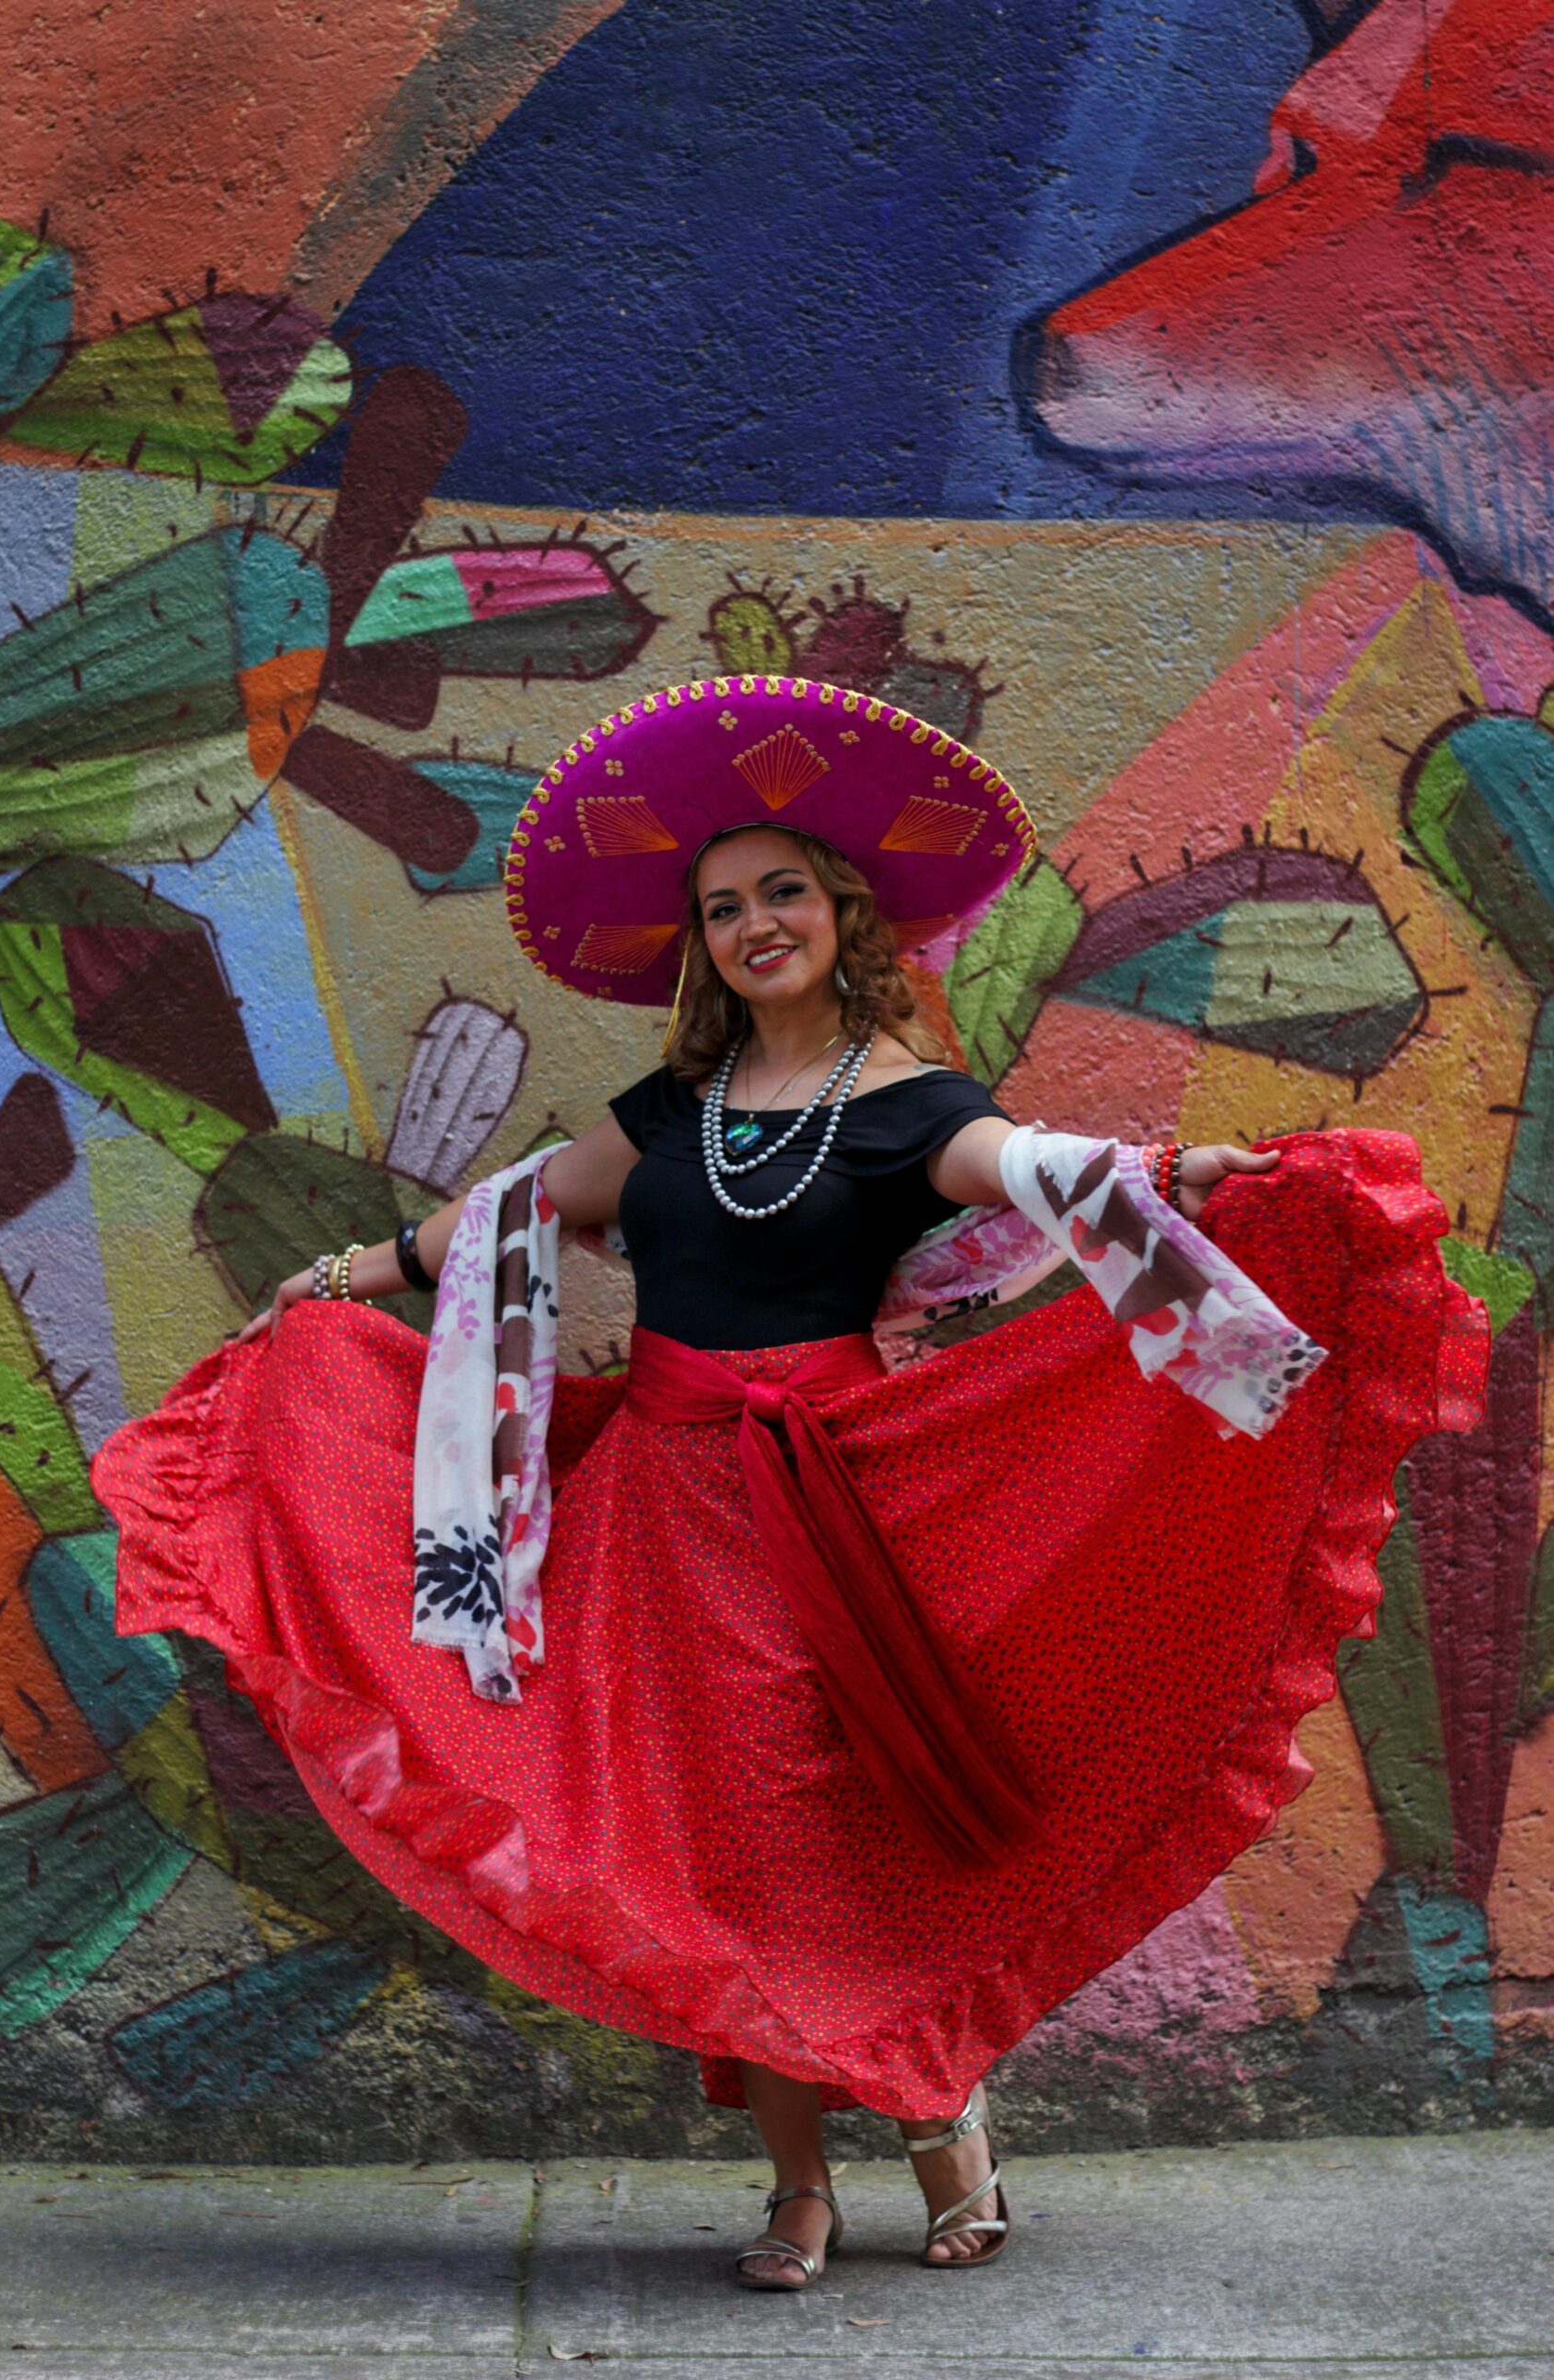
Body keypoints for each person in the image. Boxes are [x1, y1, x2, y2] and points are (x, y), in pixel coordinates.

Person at [94, 674, 1483, 2292]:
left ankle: (940, 2120)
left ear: (841, 913)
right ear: (701, 946)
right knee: (711, 1856)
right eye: (722, 908)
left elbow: (1030, 1170)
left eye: (781, 895)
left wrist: (1184, 1178)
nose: (755, 924)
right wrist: (336, 1274)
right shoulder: (668, 1121)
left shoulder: (910, 1109)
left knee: (859, 1836)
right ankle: (796, 2187)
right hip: (656, 1530)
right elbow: (502, 1222)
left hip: (844, 1517)